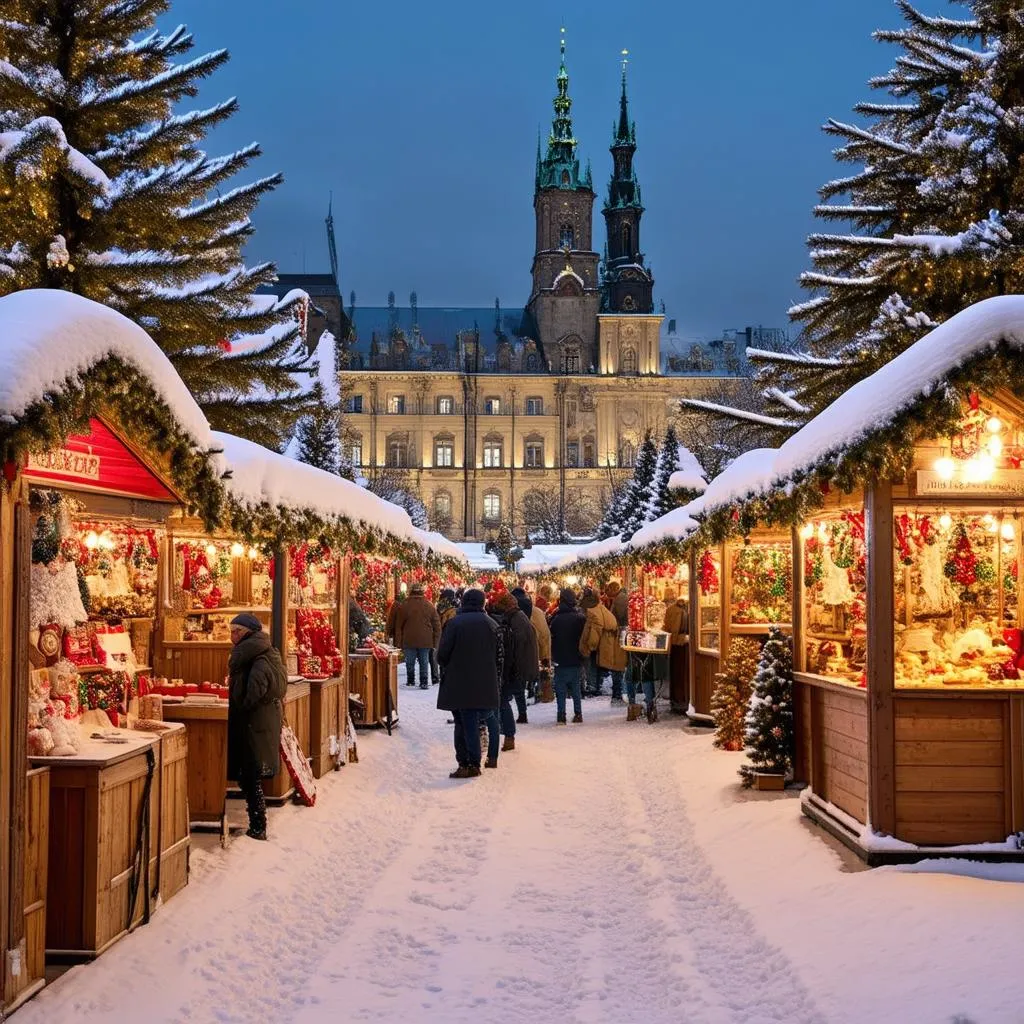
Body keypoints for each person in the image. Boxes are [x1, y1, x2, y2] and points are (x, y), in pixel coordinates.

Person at [227, 613, 287, 841]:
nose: (232, 636)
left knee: (251, 775)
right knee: (250, 775)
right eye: (231, 631)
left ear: (248, 633)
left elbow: (255, 690)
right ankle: (256, 822)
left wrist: (240, 701)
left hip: (254, 723)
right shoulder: (266, 653)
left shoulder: (255, 657)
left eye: (237, 631)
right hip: (260, 723)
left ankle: (258, 825)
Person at [437, 589, 502, 777]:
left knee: (461, 723)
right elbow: (499, 657)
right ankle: (473, 763)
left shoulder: (454, 624)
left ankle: (466, 763)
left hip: (457, 682)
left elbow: (442, 655)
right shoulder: (492, 624)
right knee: (472, 722)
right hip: (483, 683)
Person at [492, 592, 538, 750]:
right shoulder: (519, 616)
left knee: (503, 700)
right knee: (504, 700)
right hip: (519, 667)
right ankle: (508, 734)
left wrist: (509, 668)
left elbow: (516, 646)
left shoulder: (516, 619)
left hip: (516, 668)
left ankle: (509, 736)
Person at [580, 587, 626, 701]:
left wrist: (591, 646)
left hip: (607, 641)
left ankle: (595, 688)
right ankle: (613, 692)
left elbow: (595, 629)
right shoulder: (598, 607)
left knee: (599, 664)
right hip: (610, 639)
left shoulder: (593, 611)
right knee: (613, 667)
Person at [548, 588, 586, 724]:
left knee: (561, 689)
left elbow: (551, 637)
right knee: (576, 687)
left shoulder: (556, 618)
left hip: (560, 658)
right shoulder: (580, 618)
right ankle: (578, 714)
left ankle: (561, 715)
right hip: (576, 657)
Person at [394, 582, 441, 689]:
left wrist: (398, 642)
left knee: (409, 662)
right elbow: (437, 625)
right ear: (422, 592)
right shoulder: (429, 605)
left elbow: (398, 626)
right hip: (426, 640)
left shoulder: (404, 605)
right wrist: (435, 642)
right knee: (424, 662)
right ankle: (424, 682)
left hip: (408, 640)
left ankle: (411, 680)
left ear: (410, 592)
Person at [511, 587, 550, 713]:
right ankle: (536, 691)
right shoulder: (537, 612)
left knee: (518, 681)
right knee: (536, 671)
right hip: (536, 647)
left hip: (517, 651)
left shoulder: (511, 613)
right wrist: (545, 655)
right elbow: (545, 634)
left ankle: (521, 709)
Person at [662, 587, 690, 711]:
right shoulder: (673, 610)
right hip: (679, 645)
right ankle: (678, 700)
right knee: (678, 673)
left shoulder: (673, 610)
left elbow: (668, 628)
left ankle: (679, 699)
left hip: (681, 645)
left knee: (679, 673)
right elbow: (670, 629)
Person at [432, 588, 458, 686]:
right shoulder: (454, 608)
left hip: (442, 634)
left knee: (442, 655)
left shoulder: (440, 607)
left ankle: (442, 674)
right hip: (448, 634)